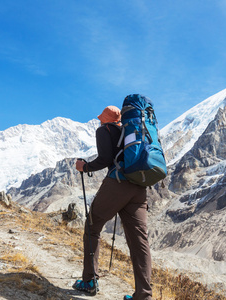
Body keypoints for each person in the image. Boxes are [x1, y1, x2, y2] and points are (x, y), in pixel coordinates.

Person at [73, 105, 152, 300]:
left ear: (105, 119)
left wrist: (85, 167)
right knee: (140, 240)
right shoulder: (130, 131)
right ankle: (144, 295)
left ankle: (89, 281)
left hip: (117, 184)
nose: (99, 121)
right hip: (139, 187)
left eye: (101, 119)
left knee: (92, 226)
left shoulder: (104, 130)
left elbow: (105, 159)